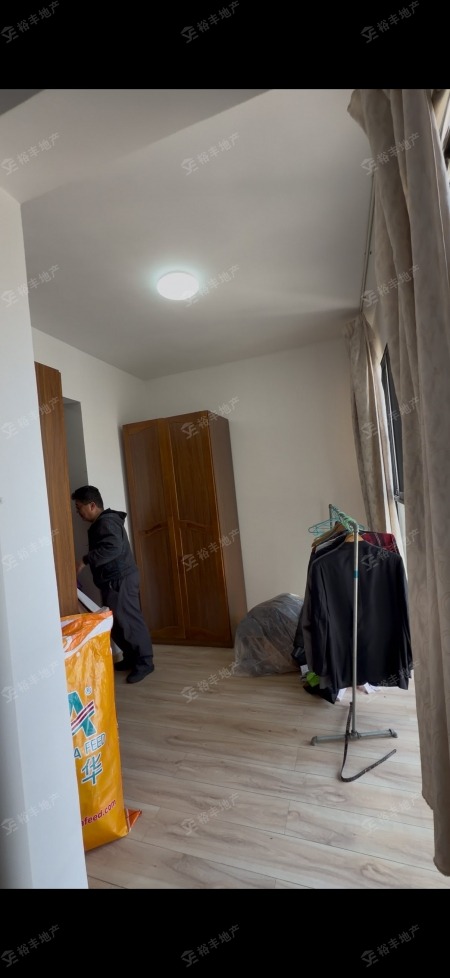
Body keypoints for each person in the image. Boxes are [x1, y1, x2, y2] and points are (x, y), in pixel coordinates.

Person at [72, 485, 154, 684]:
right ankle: (131, 657)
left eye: (79, 508)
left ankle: (145, 662)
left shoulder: (106, 522)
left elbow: (112, 548)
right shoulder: (103, 522)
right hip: (113, 580)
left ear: (92, 505)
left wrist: (85, 560)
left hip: (121, 579)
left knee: (130, 621)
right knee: (118, 623)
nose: (78, 513)